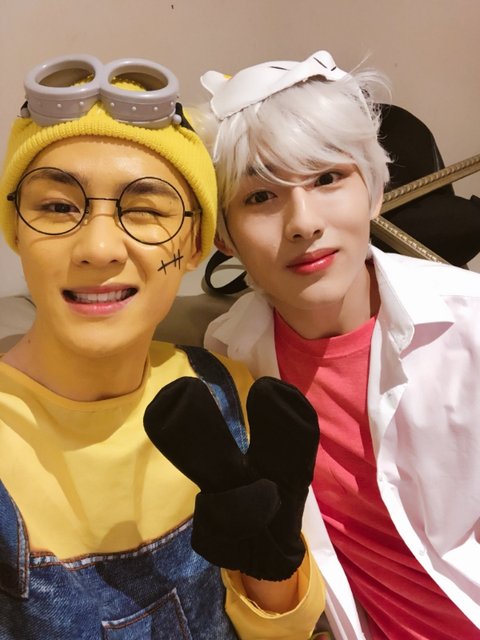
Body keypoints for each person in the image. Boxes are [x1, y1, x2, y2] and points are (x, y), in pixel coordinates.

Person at [0, 54, 326, 639]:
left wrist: (271, 567)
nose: (99, 249)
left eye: (146, 210)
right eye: (57, 207)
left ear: (196, 243)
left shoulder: (229, 392)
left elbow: (285, 629)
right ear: (16, 229)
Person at [194, 50, 480, 639]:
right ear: (224, 236)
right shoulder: (229, 353)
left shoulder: (468, 325)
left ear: (373, 191)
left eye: (327, 179)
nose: (303, 222)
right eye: (260, 197)